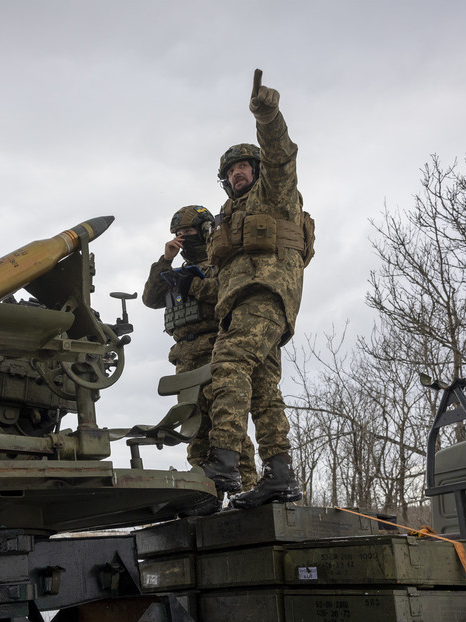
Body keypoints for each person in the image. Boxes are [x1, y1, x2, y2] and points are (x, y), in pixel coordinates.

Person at [200, 70, 314, 510]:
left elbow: (281, 155)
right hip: (243, 302)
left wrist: (268, 114)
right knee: (265, 390)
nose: (239, 173)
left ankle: (224, 459)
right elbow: (219, 275)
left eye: (245, 165)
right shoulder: (226, 218)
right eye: (231, 170)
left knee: (227, 363)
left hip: (266, 294)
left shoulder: (275, 193)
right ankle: (280, 476)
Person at [142, 206, 259, 513]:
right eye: (178, 235)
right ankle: (206, 495)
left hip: (216, 352)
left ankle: (247, 492)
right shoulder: (174, 270)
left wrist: (191, 285)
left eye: (188, 234)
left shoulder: (220, 262)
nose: (182, 240)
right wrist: (165, 260)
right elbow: (150, 298)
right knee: (196, 428)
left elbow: (228, 293)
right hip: (184, 357)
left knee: (227, 425)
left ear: (205, 232)